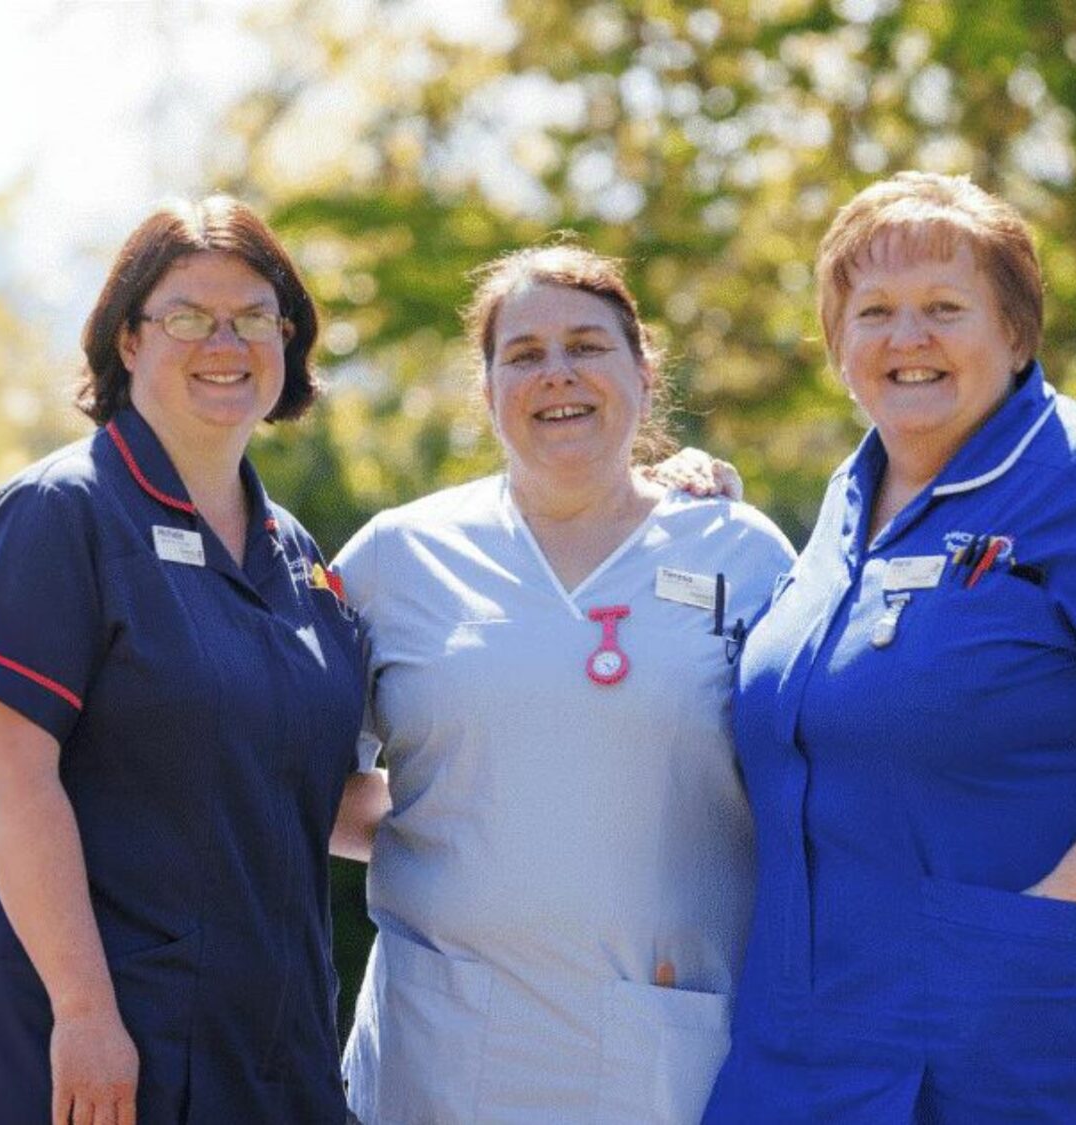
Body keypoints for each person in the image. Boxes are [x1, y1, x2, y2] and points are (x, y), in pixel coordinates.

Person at [701, 172, 1076, 1123]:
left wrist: (1039, 935)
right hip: (815, 1064)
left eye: (945, 307)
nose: (908, 338)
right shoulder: (837, 516)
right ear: (835, 342)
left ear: (1016, 335)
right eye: (875, 311)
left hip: (1056, 1058)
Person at [0, 197, 364, 1123]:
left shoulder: (299, 556)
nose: (224, 340)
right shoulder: (58, 513)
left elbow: (319, 793)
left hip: (256, 1038)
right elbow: (8, 771)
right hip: (62, 1033)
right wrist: (85, 1011)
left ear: (288, 340)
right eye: (187, 315)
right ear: (129, 340)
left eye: (255, 315)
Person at [331, 245, 795, 1124]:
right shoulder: (397, 558)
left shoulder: (740, 552)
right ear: (488, 387)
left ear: (644, 373)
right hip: (439, 1046)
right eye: (525, 354)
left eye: (587, 346)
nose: (559, 374)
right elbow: (299, 782)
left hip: (665, 1053)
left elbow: (808, 787)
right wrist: (461, 824)